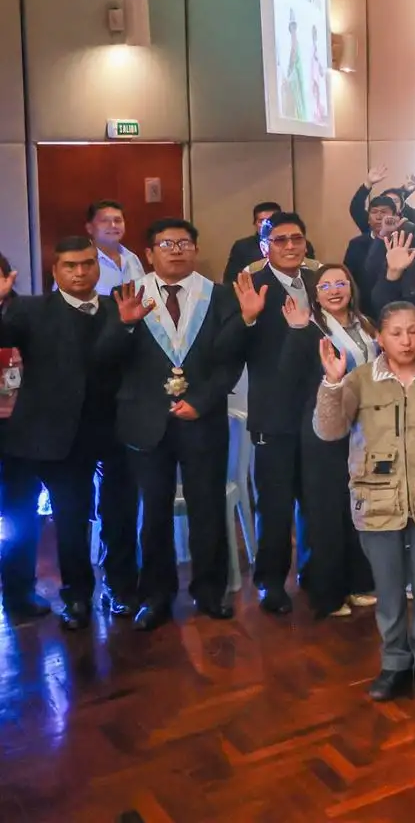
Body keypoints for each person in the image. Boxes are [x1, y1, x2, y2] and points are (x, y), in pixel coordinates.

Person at [315, 302, 415, 699]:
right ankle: (394, 663)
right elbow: (329, 431)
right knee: (387, 590)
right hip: (377, 499)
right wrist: (332, 385)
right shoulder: (359, 379)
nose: (406, 340)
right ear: (380, 338)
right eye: (397, 333)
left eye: (413, 331)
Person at [101, 219, 249, 630]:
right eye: (166, 243)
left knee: (207, 508)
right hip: (145, 421)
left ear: (196, 250)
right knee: (153, 512)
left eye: (185, 243)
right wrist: (126, 324)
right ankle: (156, 594)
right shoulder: (125, 296)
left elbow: (230, 359)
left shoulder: (218, 297)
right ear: (149, 254)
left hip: (201, 418)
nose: (177, 249)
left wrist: (200, 402)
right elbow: (107, 360)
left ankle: (209, 590)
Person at [0, 238, 136, 627]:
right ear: (56, 271)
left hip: (113, 429)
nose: (80, 273)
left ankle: (122, 588)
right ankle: (77, 597)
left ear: (98, 267)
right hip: (58, 435)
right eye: (71, 266)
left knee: (120, 515)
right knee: (71, 520)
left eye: (88, 264)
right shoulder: (30, 310)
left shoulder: (117, 307)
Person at [275, 262, 379, 617]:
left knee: (358, 507)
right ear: (315, 294)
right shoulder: (309, 327)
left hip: (364, 428)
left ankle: (357, 582)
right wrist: (294, 332)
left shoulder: (366, 323)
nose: (335, 290)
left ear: (351, 286)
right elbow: (286, 376)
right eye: (325, 286)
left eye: (341, 283)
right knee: (326, 511)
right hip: (323, 429)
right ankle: (327, 592)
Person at [233, 211, 319, 615]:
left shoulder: (321, 283)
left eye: (296, 239)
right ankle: (270, 582)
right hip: (274, 413)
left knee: (316, 498)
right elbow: (230, 349)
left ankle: (314, 573)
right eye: (279, 240)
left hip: (321, 410)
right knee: (276, 503)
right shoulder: (253, 288)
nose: (289, 247)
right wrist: (247, 319)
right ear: (264, 246)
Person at [85, 200, 145, 293]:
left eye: (118, 220)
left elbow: (145, 296)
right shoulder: (80, 260)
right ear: (90, 228)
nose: (113, 225)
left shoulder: (132, 258)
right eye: (104, 221)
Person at [224, 201, 284, 283]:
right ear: (255, 224)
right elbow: (231, 281)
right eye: (262, 221)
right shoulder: (242, 247)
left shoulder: (297, 244)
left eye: (272, 220)